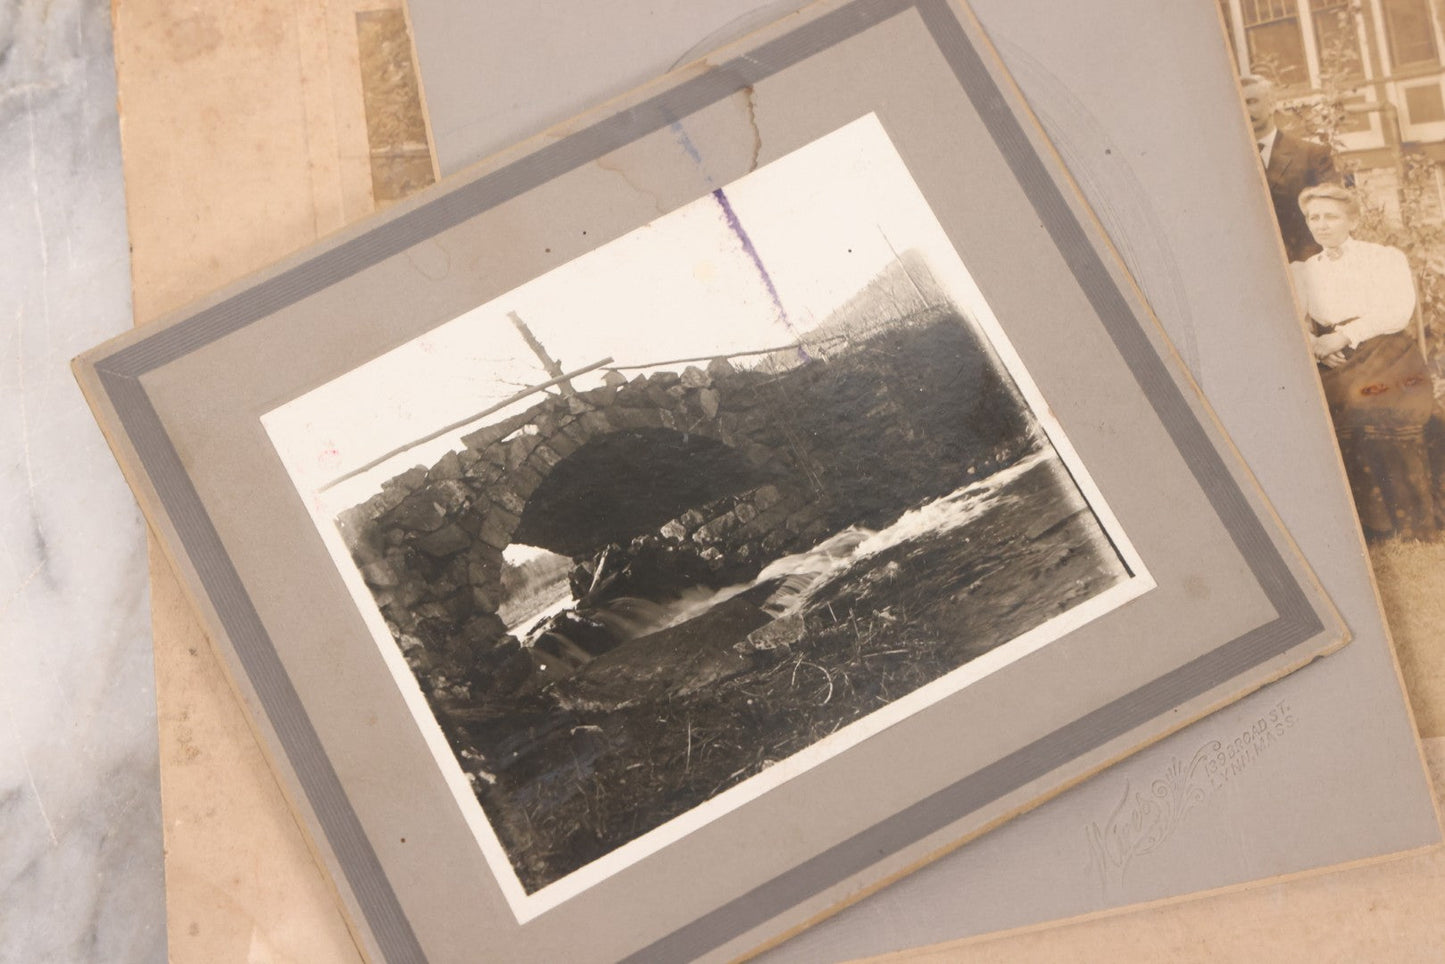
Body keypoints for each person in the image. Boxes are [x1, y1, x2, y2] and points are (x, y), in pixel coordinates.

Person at [1290, 183, 1442, 541]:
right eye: (1314, 217)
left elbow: (1397, 312)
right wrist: (1315, 345)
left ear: (1353, 220)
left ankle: (1399, 522)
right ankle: (1356, 527)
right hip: (1331, 357)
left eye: (1331, 216)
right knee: (1319, 407)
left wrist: (1344, 336)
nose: (1322, 224)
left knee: (1370, 404)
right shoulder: (1303, 270)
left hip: (1388, 352)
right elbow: (1294, 318)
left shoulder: (1383, 258)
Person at [1242, 74, 1338, 262]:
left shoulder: (1311, 155)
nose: (1244, 109)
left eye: (1252, 102)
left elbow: (1332, 215)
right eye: (1239, 103)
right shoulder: (1227, 162)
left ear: (1272, 105)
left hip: (1304, 263)